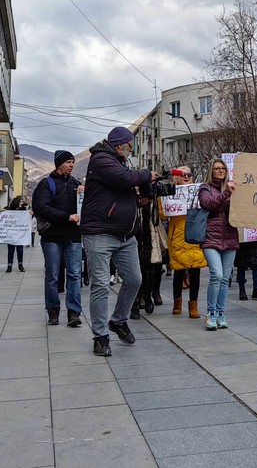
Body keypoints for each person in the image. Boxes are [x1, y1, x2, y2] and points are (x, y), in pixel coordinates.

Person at [81, 127, 157, 356]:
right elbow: (124, 179)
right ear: (120, 144)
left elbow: (120, 193)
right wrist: (148, 174)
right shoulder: (101, 159)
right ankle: (100, 336)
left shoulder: (118, 161)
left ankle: (118, 320)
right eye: (130, 144)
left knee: (134, 279)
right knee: (101, 285)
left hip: (125, 235)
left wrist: (138, 202)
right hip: (100, 233)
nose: (132, 148)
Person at [32, 150, 83, 328]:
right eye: (68, 162)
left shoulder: (77, 184)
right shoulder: (46, 184)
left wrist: (84, 194)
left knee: (75, 275)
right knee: (53, 275)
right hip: (52, 237)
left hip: (74, 238)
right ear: (59, 163)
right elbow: (40, 207)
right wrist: (66, 217)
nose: (71, 165)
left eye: (73, 162)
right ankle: (53, 310)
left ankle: (74, 312)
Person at [198, 158, 238, 330]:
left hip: (230, 237)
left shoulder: (232, 188)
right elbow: (208, 204)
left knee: (225, 278)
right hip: (210, 237)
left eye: (223, 168)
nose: (220, 171)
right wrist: (227, 192)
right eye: (217, 168)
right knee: (217, 275)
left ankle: (221, 313)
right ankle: (210, 313)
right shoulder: (205, 188)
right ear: (211, 170)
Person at [161, 166, 205, 319]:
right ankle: (177, 302)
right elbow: (163, 215)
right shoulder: (171, 192)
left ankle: (193, 305)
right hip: (177, 236)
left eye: (189, 174)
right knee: (178, 272)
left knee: (195, 271)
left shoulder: (199, 191)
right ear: (177, 178)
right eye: (183, 175)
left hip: (194, 234)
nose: (186, 177)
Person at [5, 197, 28, 273]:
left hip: (19, 234)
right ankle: (9, 265)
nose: (21, 203)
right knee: (10, 251)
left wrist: (30, 213)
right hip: (11, 234)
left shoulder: (24, 211)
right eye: (20, 201)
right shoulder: (9, 210)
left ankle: (20, 265)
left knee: (20, 250)